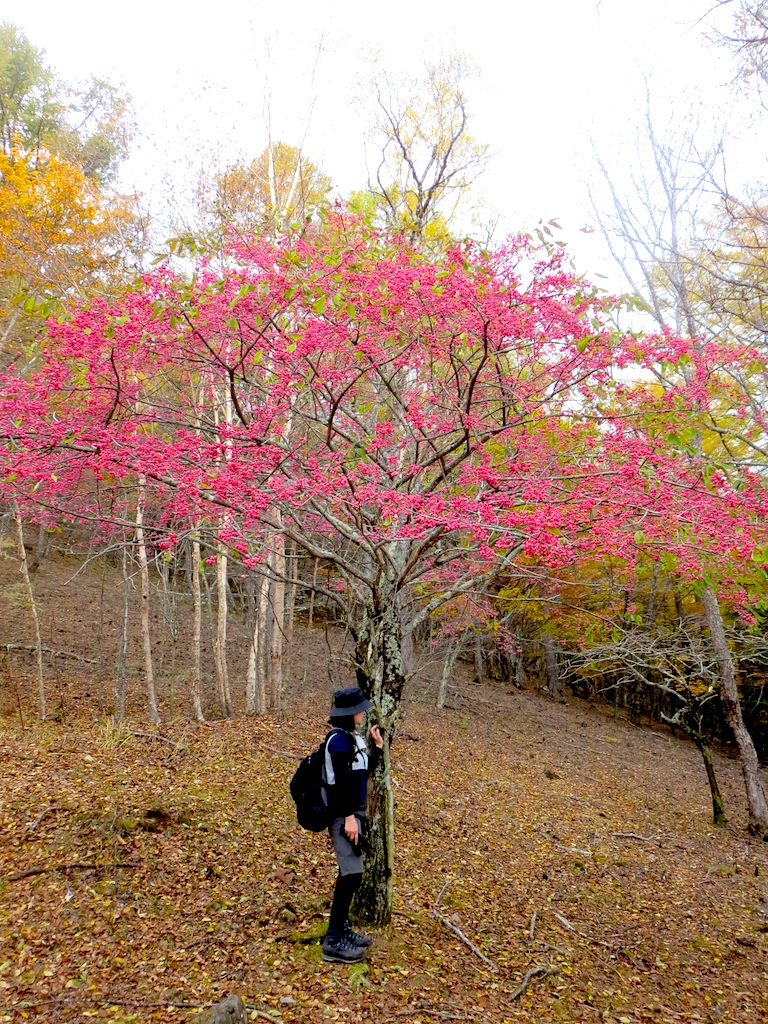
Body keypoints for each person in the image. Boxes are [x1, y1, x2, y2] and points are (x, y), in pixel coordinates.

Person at [321, 685, 384, 964]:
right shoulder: (337, 741)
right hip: (342, 816)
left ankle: (342, 929)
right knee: (350, 875)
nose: (363, 712)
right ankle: (333, 941)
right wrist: (348, 818)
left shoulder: (351, 738)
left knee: (353, 874)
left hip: (353, 815)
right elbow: (342, 784)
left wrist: (377, 748)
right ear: (348, 712)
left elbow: (361, 772)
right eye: (359, 708)